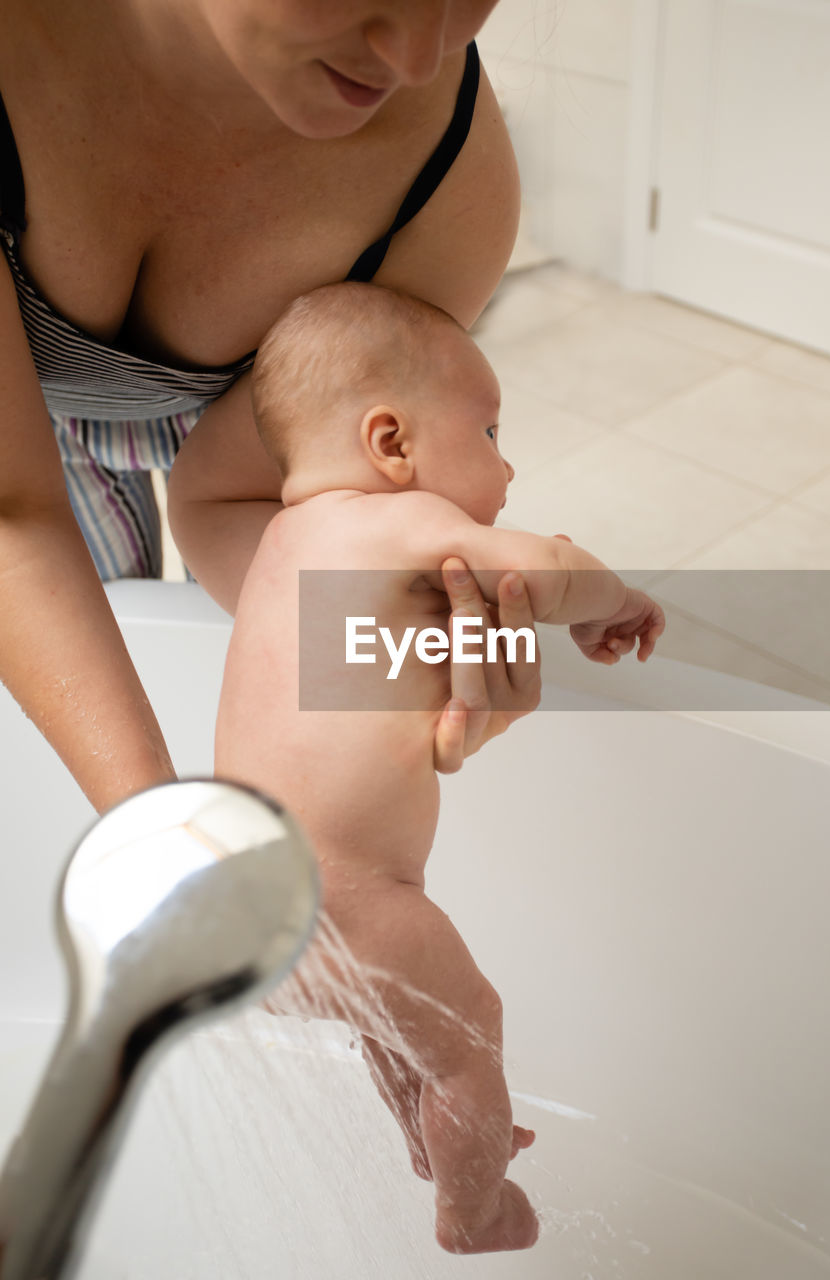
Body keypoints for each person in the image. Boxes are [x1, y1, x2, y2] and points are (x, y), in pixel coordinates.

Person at [0, 0, 538, 814]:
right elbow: (14, 513)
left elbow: (236, 500)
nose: (417, 56)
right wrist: (149, 823)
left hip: (242, 434)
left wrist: (390, 640)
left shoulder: (447, 192)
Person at [215, 282, 666, 1253]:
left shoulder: (279, 547)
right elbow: (533, 566)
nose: (506, 462)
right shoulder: (395, 524)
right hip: (351, 889)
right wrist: (609, 597)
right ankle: (472, 1205)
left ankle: (436, 1137)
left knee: (403, 1030)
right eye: (491, 429)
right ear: (391, 445)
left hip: (243, 893)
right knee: (470, 1028)